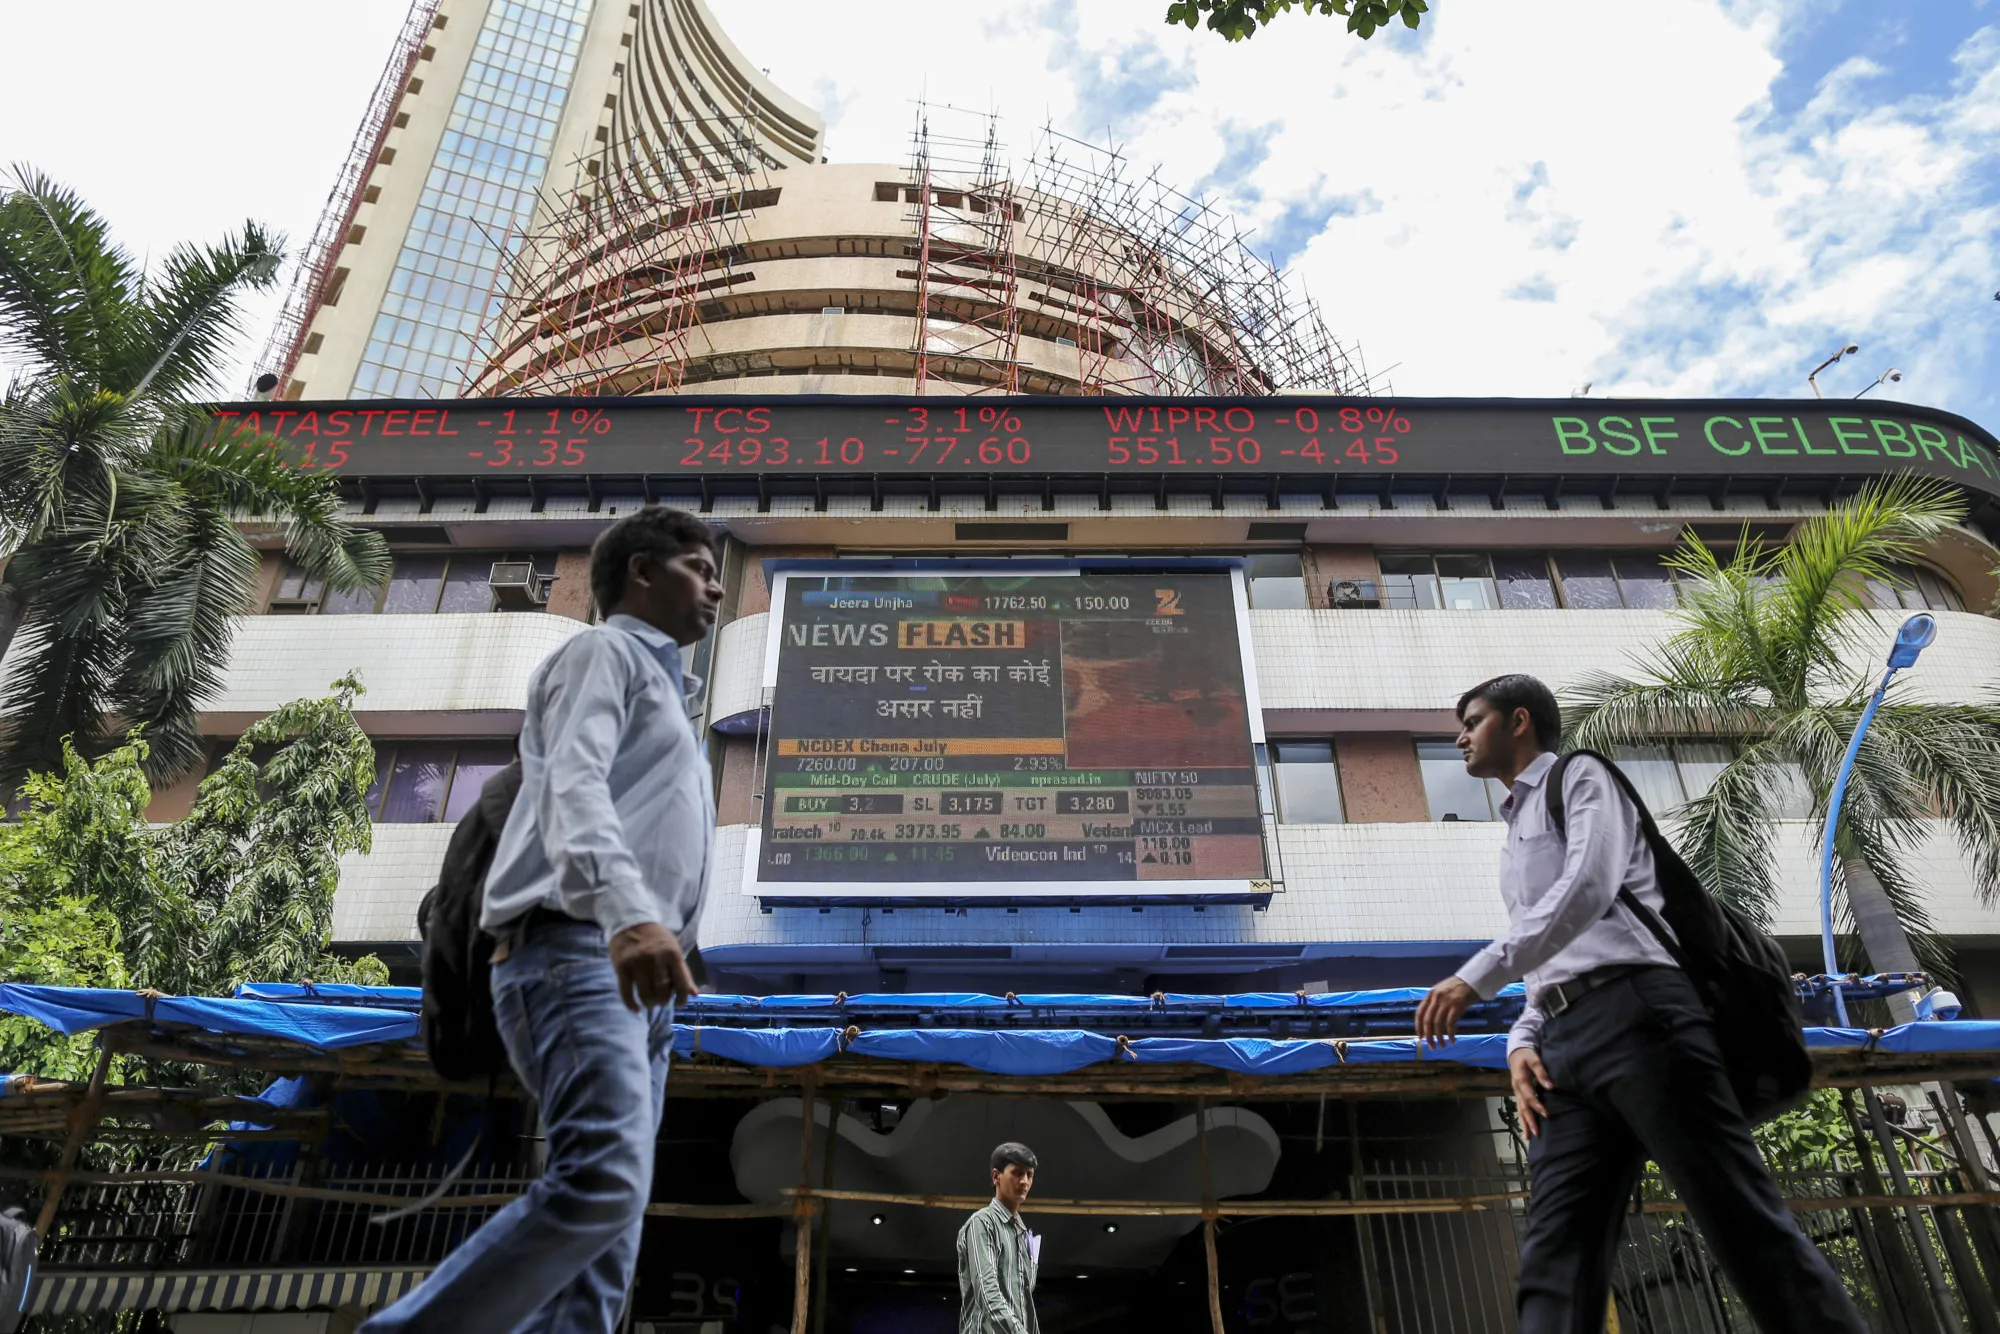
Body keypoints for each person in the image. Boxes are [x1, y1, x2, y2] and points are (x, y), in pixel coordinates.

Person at [1412, 674, 1866, 1334]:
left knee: (1739, 1220)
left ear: (1517, 722)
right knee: (1555, 1252)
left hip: (1641, 1018)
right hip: (1560, 1057)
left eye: (1471, 720)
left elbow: (1588, 888)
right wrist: (1519, 1043)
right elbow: (1550, 963)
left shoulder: (1580, 779)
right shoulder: (1510, 838)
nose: (1459, 737)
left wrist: (1476, 976)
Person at [363, 507, 723, 1334]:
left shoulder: (670, 697)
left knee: (607, 1246)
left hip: (638, 988)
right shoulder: (602, 652)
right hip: (575, 947)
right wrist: (628, 914)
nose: (712, 585)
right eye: (698, 568)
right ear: (641, 571)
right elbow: (572, 781)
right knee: (603, 1181)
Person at [958, 1142, 1040, 1334]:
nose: (1025, 1181)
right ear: (996, 1176)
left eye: (1029, 1175)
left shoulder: (1021, 1230)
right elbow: (987, 1292)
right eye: (1017, 1173)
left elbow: (1024, 1298)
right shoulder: (982, 1223)